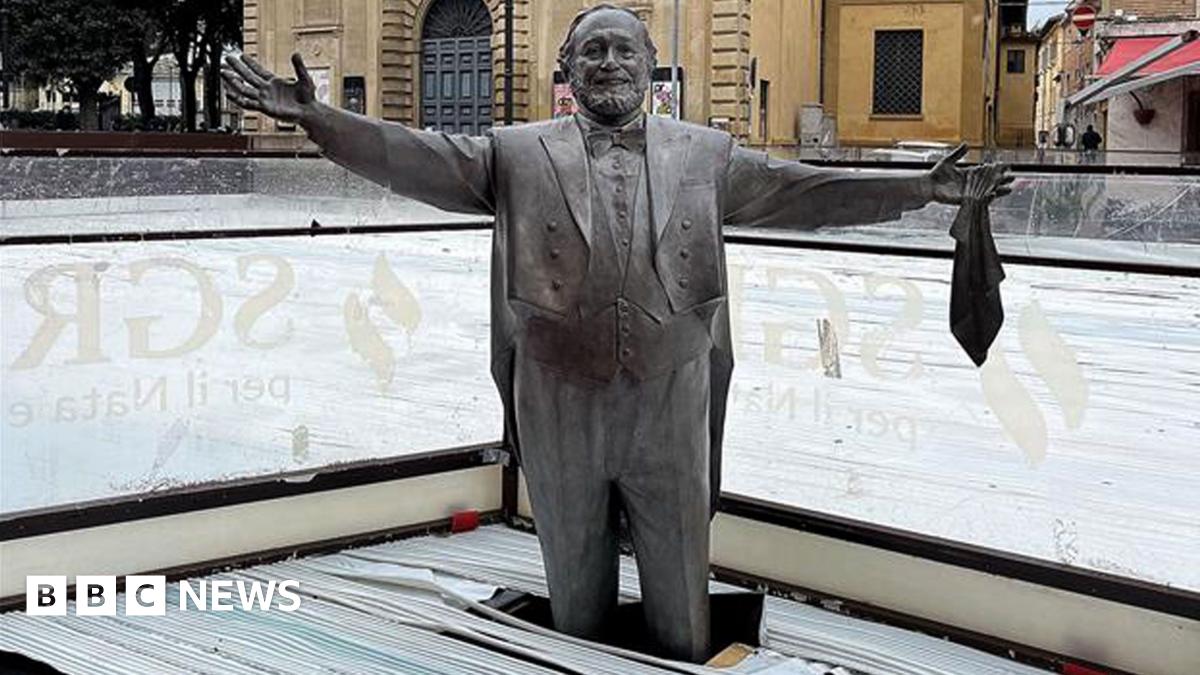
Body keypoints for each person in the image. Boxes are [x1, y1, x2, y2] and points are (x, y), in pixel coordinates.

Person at [223, 4, 1011, 663]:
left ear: (649, 63)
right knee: (575, 591)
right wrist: (321, 122)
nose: (607, 62)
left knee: (681, 596)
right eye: (590, 50)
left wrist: (920, 187)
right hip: (558, 398)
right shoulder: (515, 153)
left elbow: (804, 192)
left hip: (671, 401)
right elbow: (416, 158)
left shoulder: (707, 155)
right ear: (564, 68)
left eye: (621, 48)